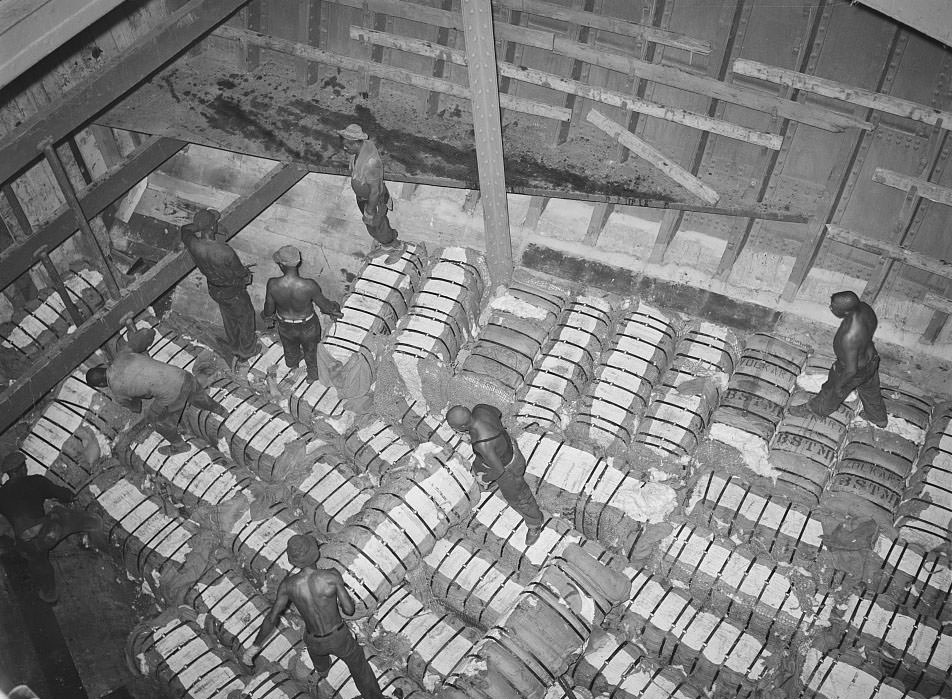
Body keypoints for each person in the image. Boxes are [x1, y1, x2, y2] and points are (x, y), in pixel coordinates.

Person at [243, 534, 384, 699]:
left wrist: (254, 648)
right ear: (315, 553)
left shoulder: (288, 585)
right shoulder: (331, 576)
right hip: (339, 638)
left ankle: (323, 670)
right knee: (358, 663)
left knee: (321, 663)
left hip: (315, 642)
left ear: (293, 561)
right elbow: (349, 610)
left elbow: (272, 617)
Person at [85, 316, 228, 455]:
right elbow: (146, 334)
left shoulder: (117, 393)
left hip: (173, 395)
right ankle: (221, 411)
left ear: (102, 385)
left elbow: (137, 407)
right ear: (102, 367)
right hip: (183, 376)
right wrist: (138, 333)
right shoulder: (122, 356)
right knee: (196, 395)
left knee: (159, 422)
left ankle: (180, 446)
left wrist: (135, 397)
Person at [0, 452, 101, 603]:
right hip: (48, 531)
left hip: (26, 543)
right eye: (24, 466)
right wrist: (69, 496)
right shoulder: (35, 481)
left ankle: (49, 594)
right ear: (20, 469)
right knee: (69, 516)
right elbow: (63, 494)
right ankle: (96, 530)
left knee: (39, 563)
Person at [446, 404, 544, 545]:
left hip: (508, 467)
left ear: (461, 428)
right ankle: (478, 483)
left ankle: (535, 523)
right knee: (479, 465)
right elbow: (497, 412)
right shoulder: (480, 409)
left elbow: (499, 470)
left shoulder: (482, 444)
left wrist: (485, 478)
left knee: (519, 498)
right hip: (506, 444)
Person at [789, 290, 888, 428]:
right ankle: (878, 418)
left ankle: (816, 409)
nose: (831, 307)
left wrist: (838, 386)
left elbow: (851, 370)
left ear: (847, 311)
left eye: (834, 306)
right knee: (871, 390)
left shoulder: (849, 337)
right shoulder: (865, 309)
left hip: (854, 370)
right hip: (871, 360)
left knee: (831, 391)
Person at [181, 208, 261, 370]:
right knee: (245, 316)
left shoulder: (193, 243)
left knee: (229, 317)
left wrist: (199, 225)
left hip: (214, 288)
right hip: (232, 290)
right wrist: (246, 273)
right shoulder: (224, 251)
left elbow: (184, 229)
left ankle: (234, 345)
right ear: (212, 228)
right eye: (215, 223)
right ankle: (246, 351)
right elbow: (239, 272)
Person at [262, 245, 343, 383]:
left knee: (289, 347)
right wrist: (334, 307)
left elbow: (269, 309)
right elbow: (325, 307)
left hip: (285, 326)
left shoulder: (273, 284)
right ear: (298, 262)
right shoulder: (309, 285)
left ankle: (293, 365)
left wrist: (267, 316)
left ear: (281, 265)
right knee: (311, 351)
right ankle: (312, 376)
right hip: (308, 326)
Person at [339, 123, 406, 264]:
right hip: (364, 198)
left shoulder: (370, 163)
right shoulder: (359, 152)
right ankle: (385, 244)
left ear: (357, 143)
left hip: (374, 200)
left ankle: (396, 246)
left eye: (348, 145)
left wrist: (370, 211)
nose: (345, 148)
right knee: (373, 226)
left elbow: (375, 191)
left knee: (377, 225)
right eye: (344, 144)